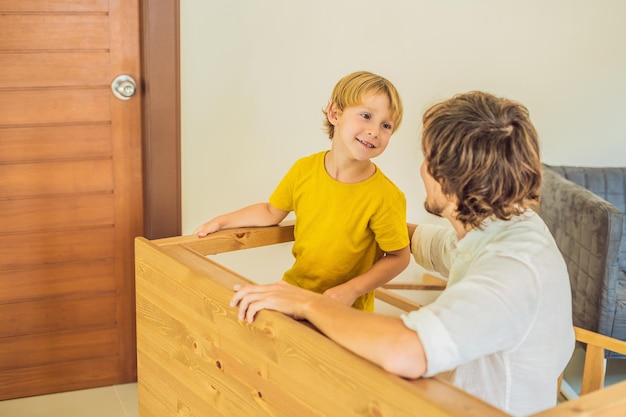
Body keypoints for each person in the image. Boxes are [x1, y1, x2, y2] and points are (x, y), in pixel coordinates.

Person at [230, 91, 575, 416]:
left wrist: (307, 302)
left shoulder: (512, 270)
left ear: (449, 181)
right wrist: (357, 219)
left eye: (427, 159)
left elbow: (406, 352)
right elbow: (434, 245)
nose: (421, 169)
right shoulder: (502, 226)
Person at [195, 70, 410, 312]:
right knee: (242, 310)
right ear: (335, 113)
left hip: (344, 309)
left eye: (386, 125)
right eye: (366, 116)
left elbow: (398, 257)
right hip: (294, 291)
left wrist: (351, 290)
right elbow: (270, 211)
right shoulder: (304, 170)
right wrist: (222, 221)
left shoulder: (385, 196)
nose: (374, 131)